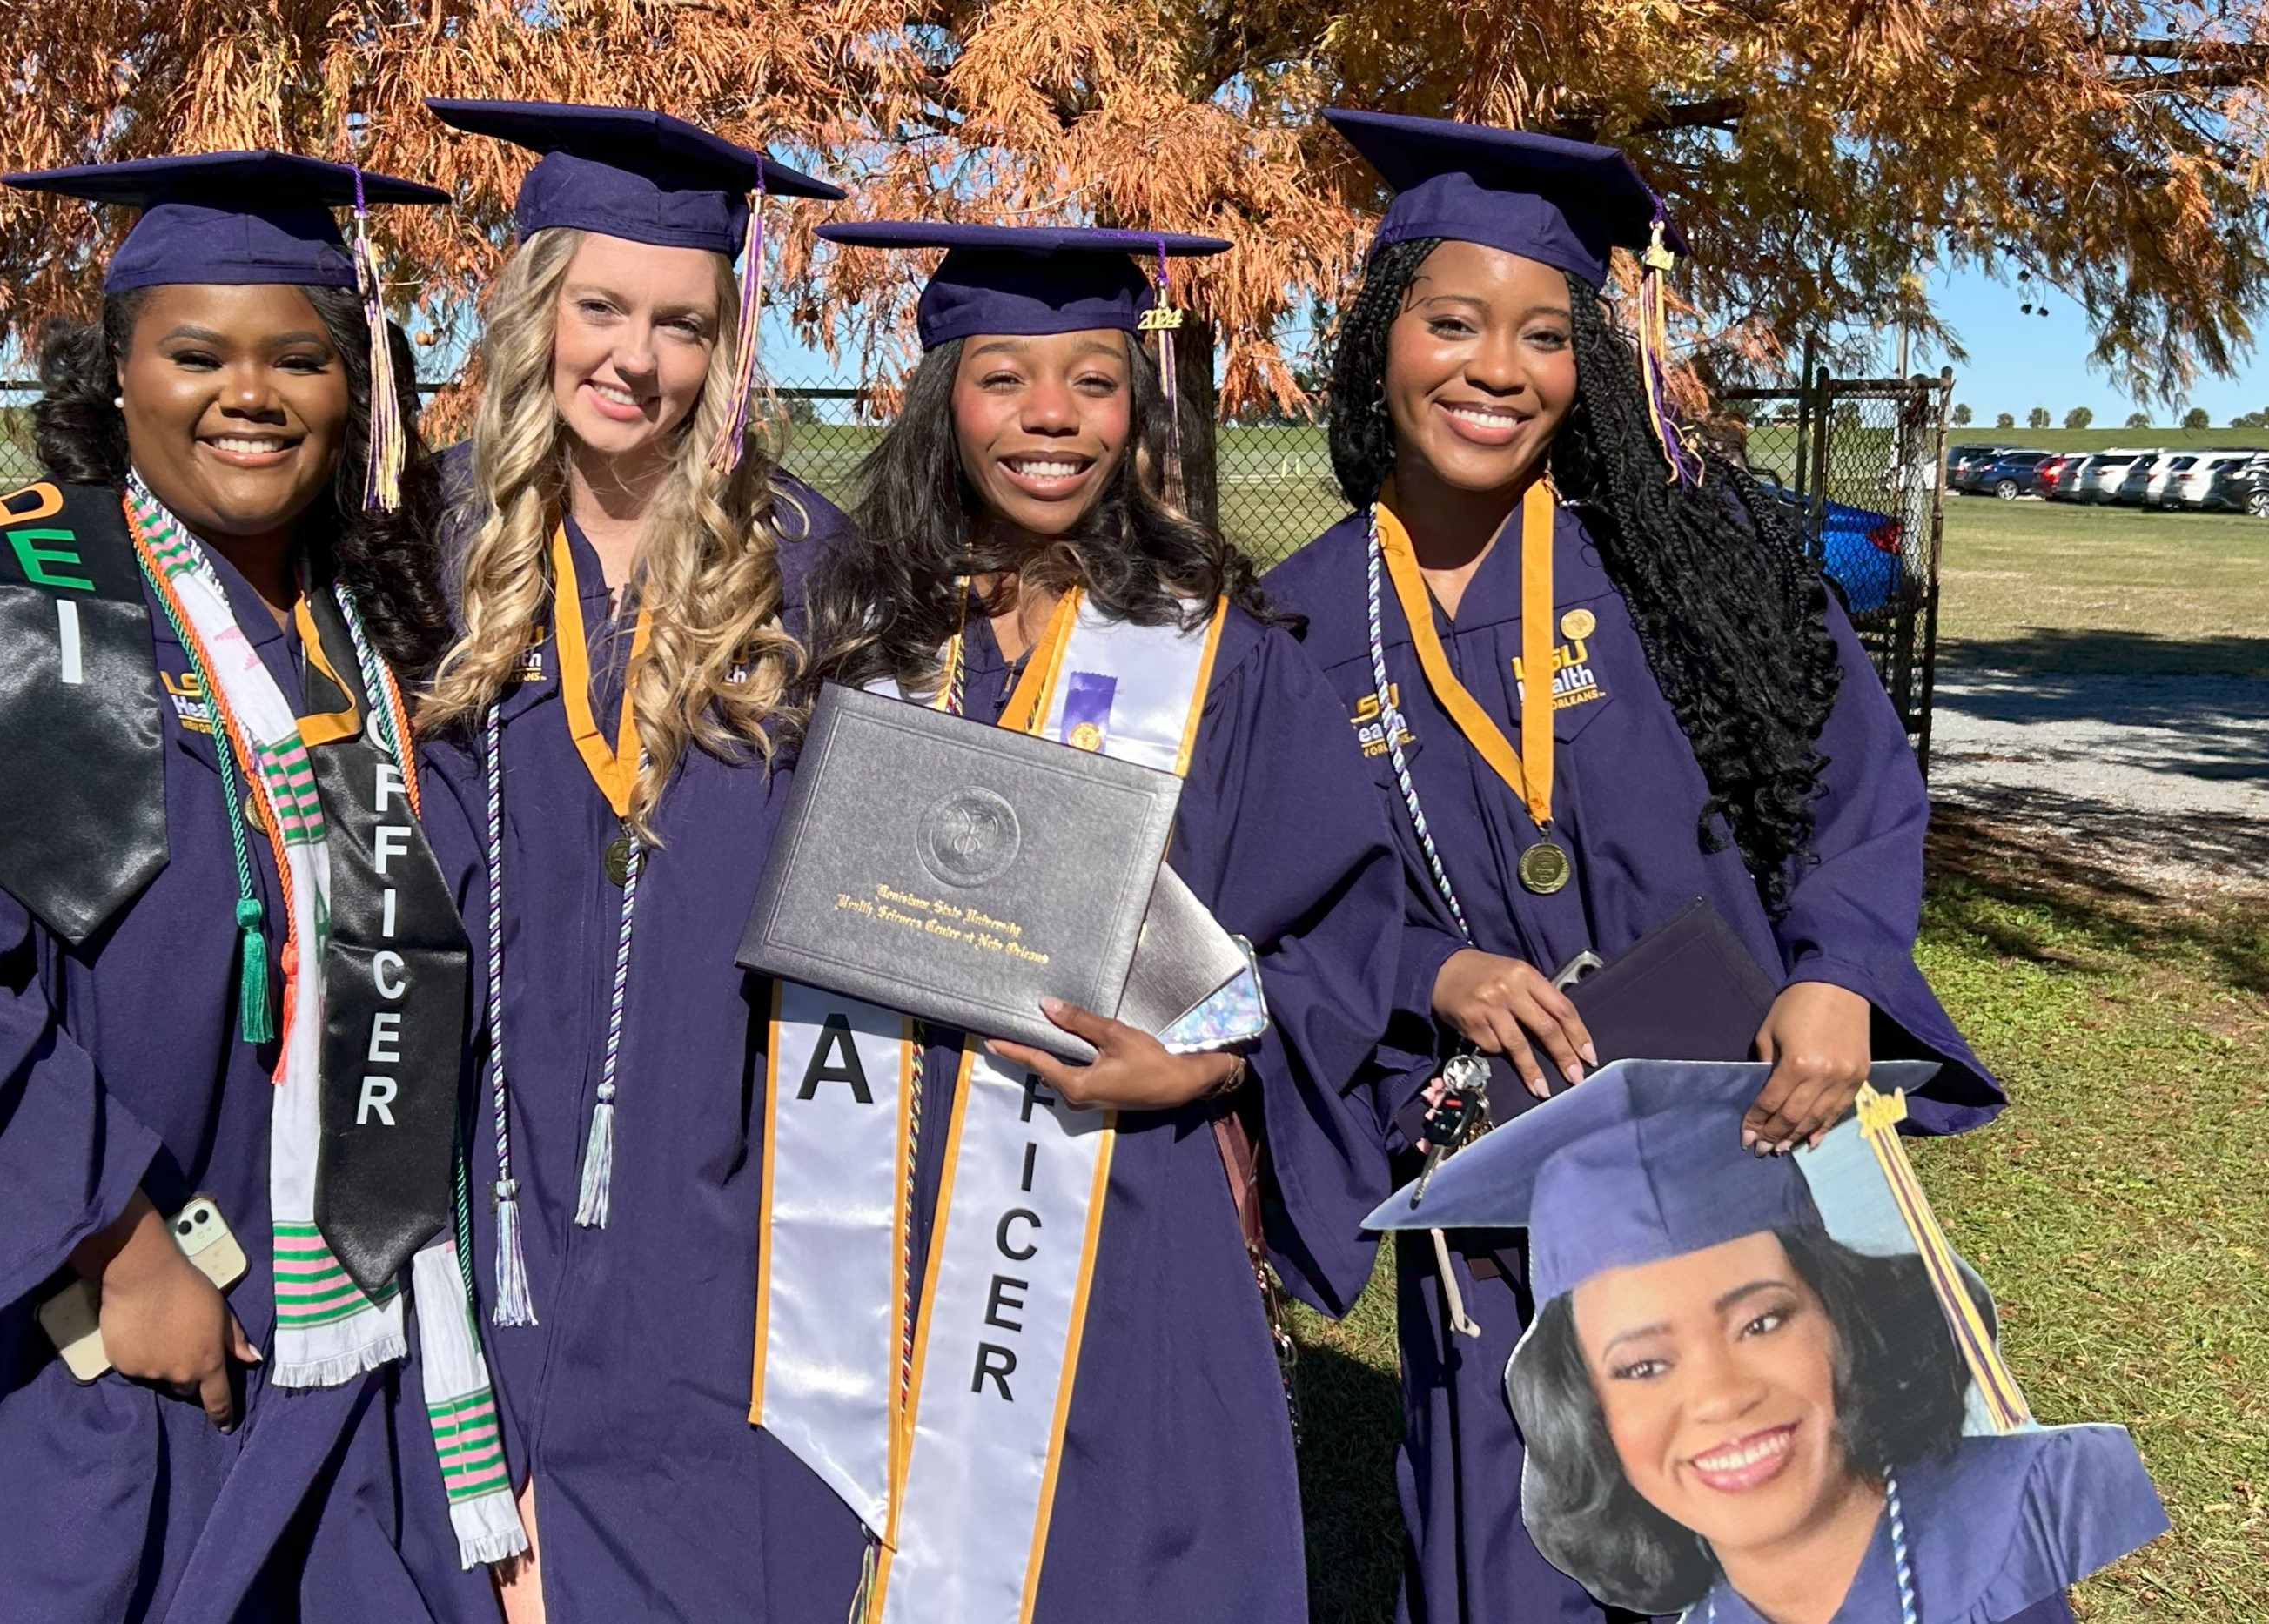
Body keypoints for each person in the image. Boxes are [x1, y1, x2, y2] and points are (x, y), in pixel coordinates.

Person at [0, 151, 522, 1623]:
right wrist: (110, 1244)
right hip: (107, 1319)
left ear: (351, 392)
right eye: (196, 353)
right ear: (119, 372)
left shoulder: (386, 629)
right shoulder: (15, 600)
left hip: (361, 1324)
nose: (248, 394)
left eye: (298, 358)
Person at [1260, 111, 2011, 1624]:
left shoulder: (1684, 562)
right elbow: (1264, 911)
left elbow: (1849, 787)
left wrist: (1838, 976)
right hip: (1498, 1178)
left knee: (1823, 1529)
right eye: (1451, 322)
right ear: (1378, 338)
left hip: (1747, 1130)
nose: (1494, 369)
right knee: (1532, 1538)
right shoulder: (1290, 627)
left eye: (1544, 334)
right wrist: (1426, 970)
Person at [795, 220, 1403, 1622]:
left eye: (1091, 378)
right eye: (1004, 376)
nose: (1050, 416)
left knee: (1129, 1555)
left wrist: (1208, 1060)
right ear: (943, 397)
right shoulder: (847, 629)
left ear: (1137, 411)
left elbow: (1339, 933)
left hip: (1125, 1197)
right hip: (860, 1191)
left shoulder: (1218, 652)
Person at [400, 101, 857, 1622]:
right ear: (539, 304)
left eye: (679, 322)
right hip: (485, 1149)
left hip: (724, 1157)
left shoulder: (806, 559)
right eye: (600, 306)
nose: (635, 359)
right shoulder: (424, 541)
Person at [1383, 1060, 2166, 1624]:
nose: (1722, 1395)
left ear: (1845, 1315)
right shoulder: (1715, 1605)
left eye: (1761, 1321)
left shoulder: (2015, 1514)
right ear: (1588, 1412)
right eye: (1643, 1365)